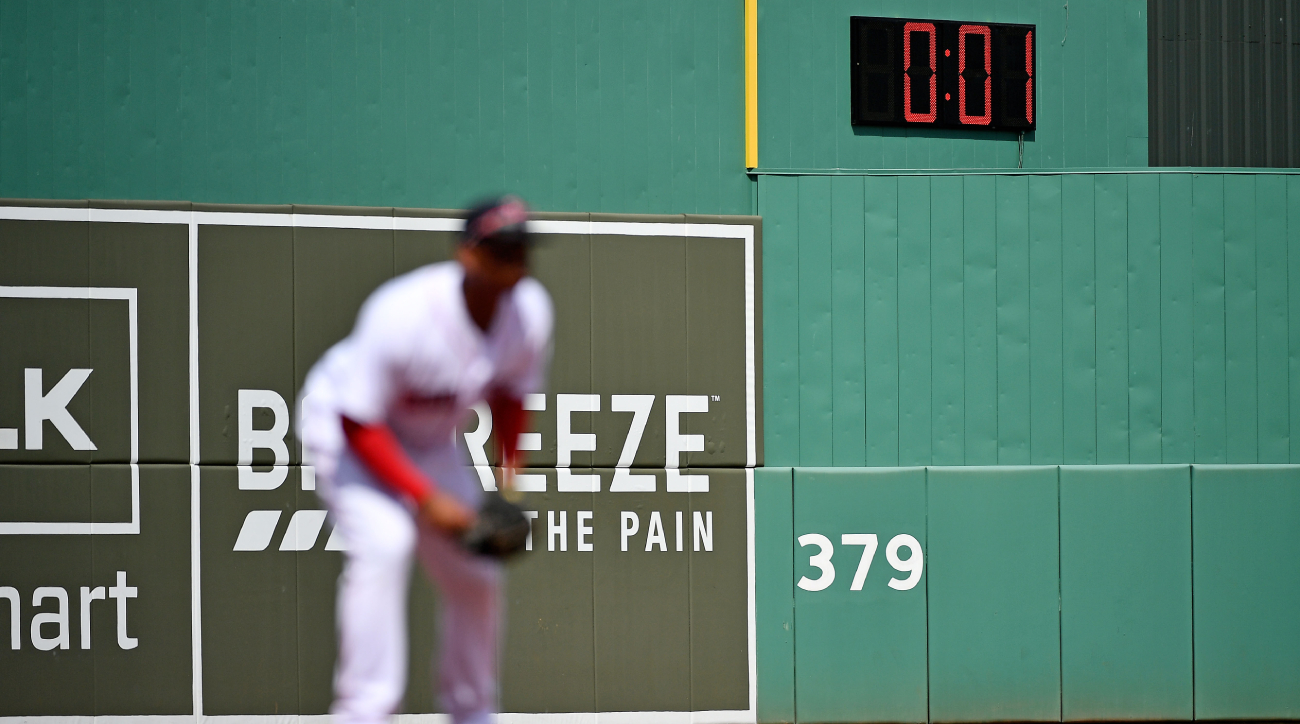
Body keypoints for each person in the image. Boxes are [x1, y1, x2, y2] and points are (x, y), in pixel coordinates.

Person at [297, 196, 553, 724]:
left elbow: (510, 396)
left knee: (478, 570)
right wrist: (425, 499)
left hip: (431, 441)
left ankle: (473, 711)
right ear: (468, 254)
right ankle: (363, 711)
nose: (515, 263)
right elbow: (359, 422)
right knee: (387, 543)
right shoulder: (403, 313)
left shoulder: (530, 311)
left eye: (522, 250)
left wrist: (509, 482)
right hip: (348, 428)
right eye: (502, 249)